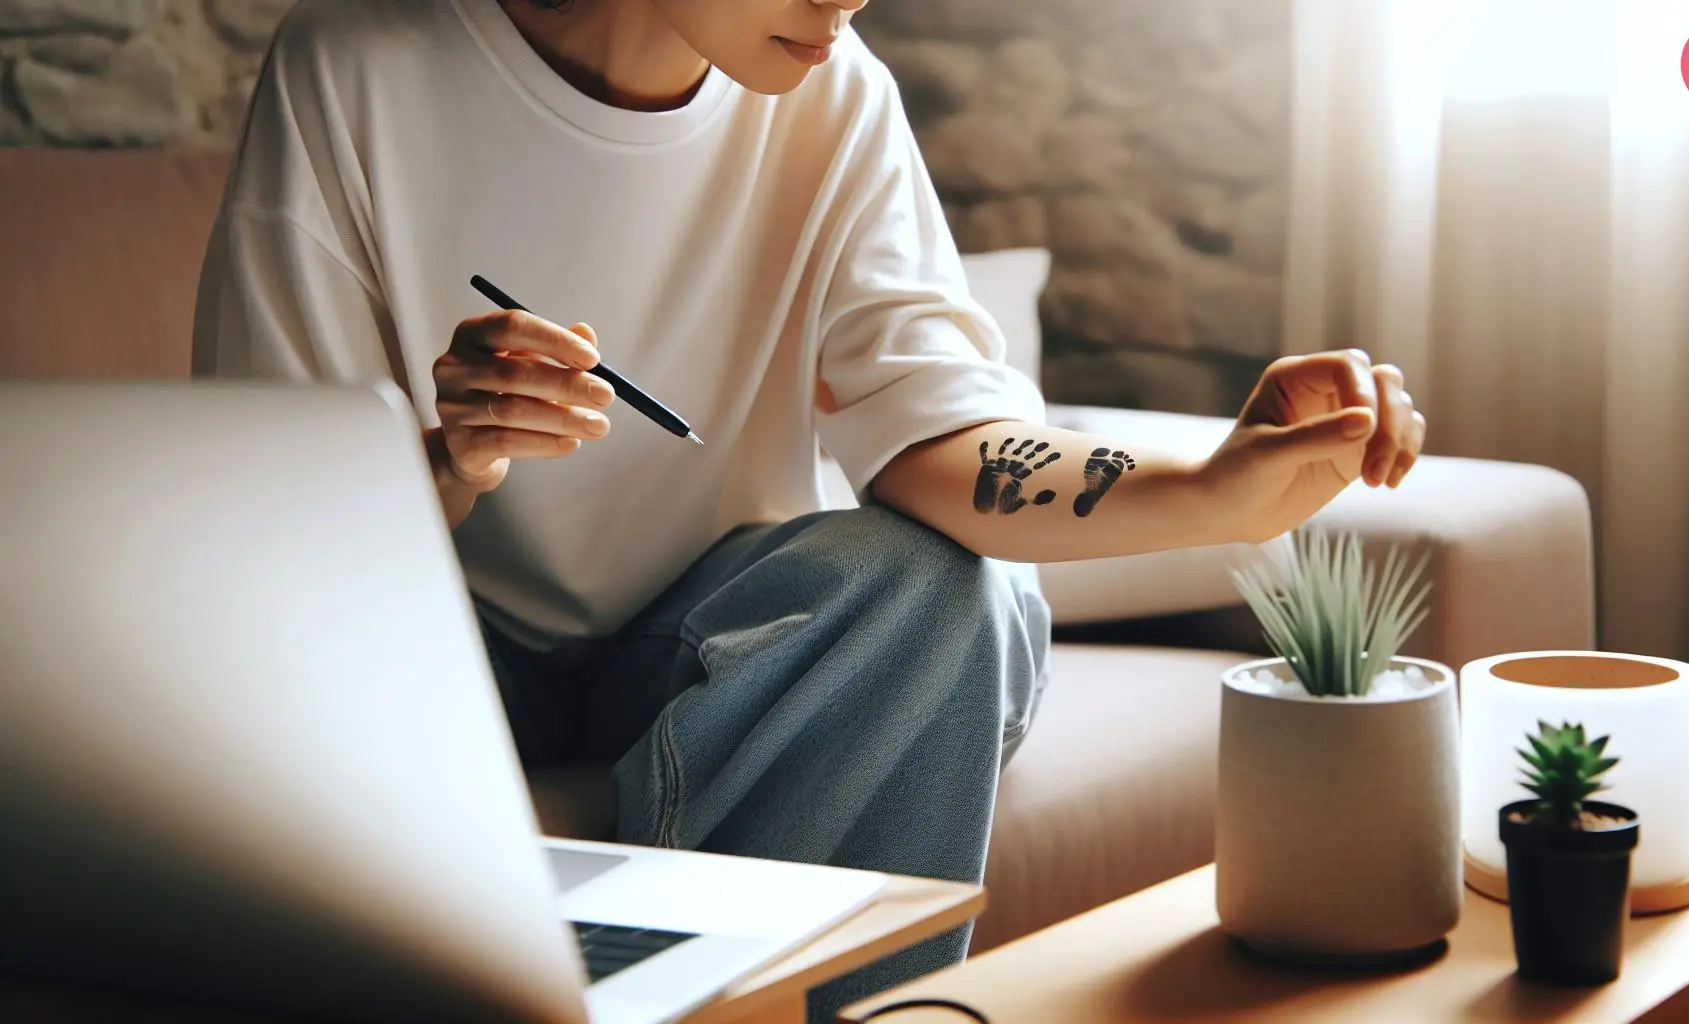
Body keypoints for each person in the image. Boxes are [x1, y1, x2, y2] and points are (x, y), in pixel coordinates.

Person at [191, 0, 1426, 1017]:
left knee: (954, 593)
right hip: (444, 659)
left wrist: (1219, 488)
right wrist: (454, 459)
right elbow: (276, 532)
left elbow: (939, 435)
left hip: (705, 646)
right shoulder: (354, 71)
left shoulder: (835, 97)